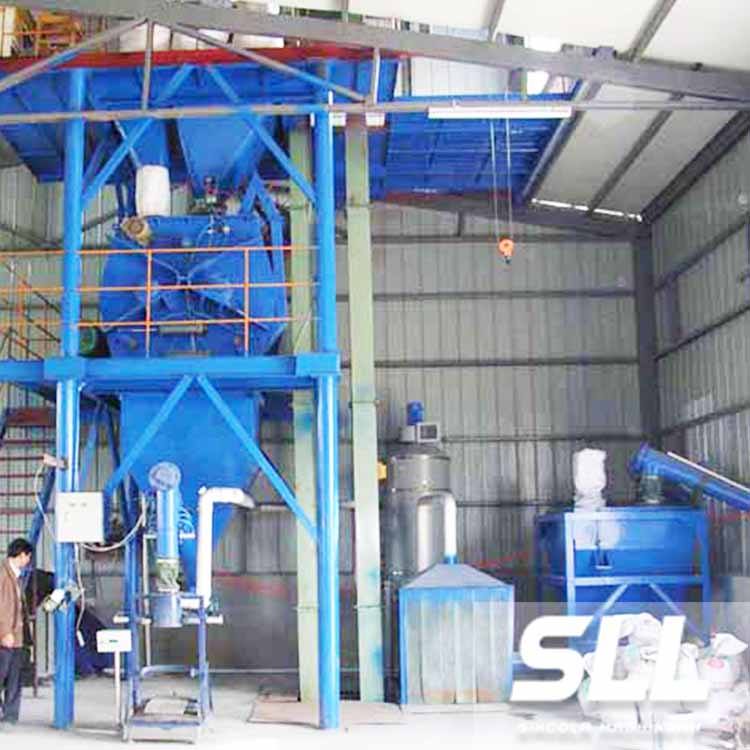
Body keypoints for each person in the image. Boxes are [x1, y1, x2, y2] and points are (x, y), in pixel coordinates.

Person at [0, 538, 32, 725]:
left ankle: (10, 715)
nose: (28, 561)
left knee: (15, 677)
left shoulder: (15, 575)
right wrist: (5, 632)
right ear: (21, 555)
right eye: (28, 557)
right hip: (7, 637)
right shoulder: (3, 575)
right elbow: (2, 606)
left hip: (17, 637)